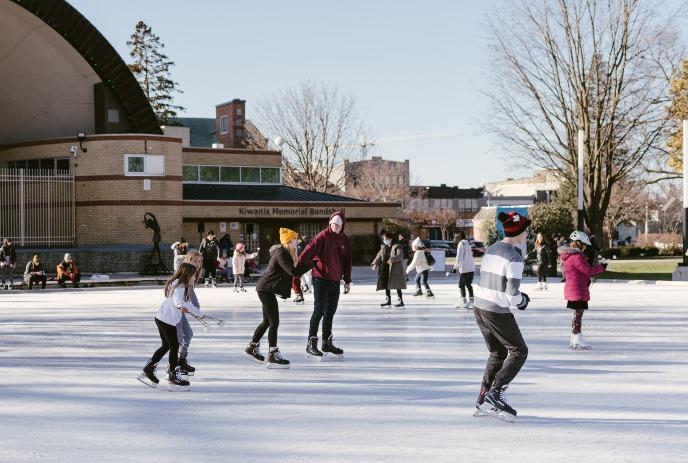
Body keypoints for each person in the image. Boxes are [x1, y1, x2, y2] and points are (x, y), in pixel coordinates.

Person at [473, 211, 531, 422]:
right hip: (496, 309)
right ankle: (495, 394)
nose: (527, 233)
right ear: (519, 232)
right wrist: (523, 301)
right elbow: (511, 295)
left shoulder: (492, 248)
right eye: (526, 230)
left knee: (497, 353)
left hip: (479, 306)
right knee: (519, 351)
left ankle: (482, 398)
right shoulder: (514, 257)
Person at [243, 228, 311, 369]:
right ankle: (272, 353)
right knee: (274, 322)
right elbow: (293, 272)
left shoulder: (286, 252)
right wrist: (312, 264)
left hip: (266, 289)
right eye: (294, 239)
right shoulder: (281, 253)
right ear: (288, 241)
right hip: (265, 289)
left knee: (267, 321)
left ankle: (252, 347)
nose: (296, 242)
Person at [137, 263, 204, 390]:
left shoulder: (180, 285)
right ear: (187, 274)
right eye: (194, 275)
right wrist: (181, 306)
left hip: (163, 318)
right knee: (174, 346)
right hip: (166, 320)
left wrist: (199, 314)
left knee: (167, 346)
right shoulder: (179, 286)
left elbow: (187, 304)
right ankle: (172, 375)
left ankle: (149, 368)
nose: (195, 277)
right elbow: (178, 301)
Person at [298, 210, 352, 360]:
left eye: (339, 225)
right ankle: (311, 343)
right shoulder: (322, 236)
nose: (336, 226)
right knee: (319, 311)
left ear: (342, 226)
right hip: (320, 279)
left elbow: (348, 261)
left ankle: (326, 343)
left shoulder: (344, 239)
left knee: (330, 312)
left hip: (335, 281)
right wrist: (298, 265)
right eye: (333, 224)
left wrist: (347, 280)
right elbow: (309, 250)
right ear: (330, 223)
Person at [559, 231, 607, 350]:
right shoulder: (577, 256)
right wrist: (602, 267)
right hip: (577, 289)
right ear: (579, 243)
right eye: (584, 245)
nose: (585, 247)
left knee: (577, 314)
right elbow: (588, 271)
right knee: (578, 315)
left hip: (574, 288)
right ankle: (577, 339)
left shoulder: (568, 256)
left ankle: (574, 338)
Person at [175, 250, 203, 376]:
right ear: (188, 260)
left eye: (199, 261)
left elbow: (191, 294)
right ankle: (174, 365)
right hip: (174, 312)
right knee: (178, 339)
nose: (197, 264)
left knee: (188, 334)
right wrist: (196, 309)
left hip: (180, 310)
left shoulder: (192, 274)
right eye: (194, 261)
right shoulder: (183, 275)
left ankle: (181, 360)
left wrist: (195, 309)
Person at [372, 230, 407, 308]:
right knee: (385, 284)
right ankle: (388, 300)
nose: (385, 240)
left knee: (397, 285)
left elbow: (400, 255)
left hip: (394, 268)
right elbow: (379, 255)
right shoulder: (383, 246)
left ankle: (400, 301)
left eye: (386, 238)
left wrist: (392, 259)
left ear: (390, 238)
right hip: (385, 268)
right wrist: (374, 263)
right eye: (383, 238)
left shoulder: (397, 245)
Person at [450, 231, 475, 308]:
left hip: (465, 268)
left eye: (455, 237)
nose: (454, 239)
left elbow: (459, 257)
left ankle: (463, 301)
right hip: (471, 267)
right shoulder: (467, 243)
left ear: (458, 237)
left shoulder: (461, 244)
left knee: (461, 285)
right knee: (468, 284)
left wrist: (455, 268)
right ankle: (471, 301)